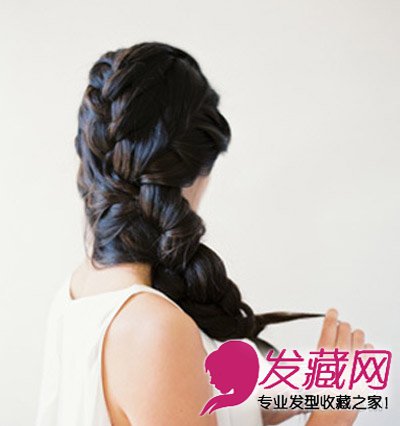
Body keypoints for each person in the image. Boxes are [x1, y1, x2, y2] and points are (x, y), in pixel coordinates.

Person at [35, 41, 373, 426]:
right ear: (197, 168)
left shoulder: (80, 290)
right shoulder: (154, 328)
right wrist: (333, 418)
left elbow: (191, 397)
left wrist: (325, 383)